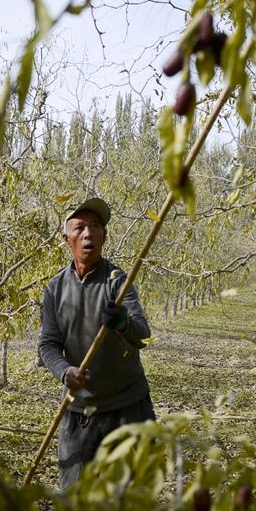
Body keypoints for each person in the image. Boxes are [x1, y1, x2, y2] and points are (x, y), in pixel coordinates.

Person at [38, 197, 155, 491]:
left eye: (95, 227)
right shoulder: (55, 290)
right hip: (80, 410)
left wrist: (122, 322)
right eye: (79, 228)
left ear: (105, 236)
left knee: (131, 499)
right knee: (74, 499)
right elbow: (48, 346)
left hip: (127, 405)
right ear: (67, 240)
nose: (88, 234)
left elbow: (142, 335)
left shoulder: (118, 282)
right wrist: (66, 372)